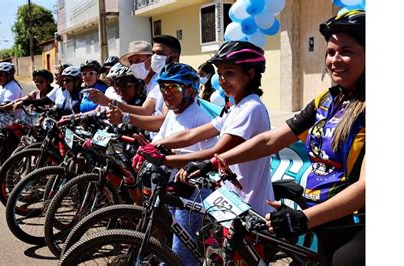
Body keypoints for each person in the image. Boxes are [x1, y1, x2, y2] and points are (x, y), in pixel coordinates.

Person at [179, 10, 366, 266]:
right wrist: (214, 162)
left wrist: (303, 219)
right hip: (324, 222)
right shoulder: (328, 99)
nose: (335, 60)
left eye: (347, 51)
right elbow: (271, 141)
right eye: (330, 52)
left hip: (357, 228)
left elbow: (367, 188)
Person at [137, 41, 274, 217]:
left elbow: (216, 152)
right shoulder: (234, 108)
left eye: (229, 73)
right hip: (231, 199)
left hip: (249, 204)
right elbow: (192, 135)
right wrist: (155, 145)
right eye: (220, 74)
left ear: (250, 73)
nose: (222, 80)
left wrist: (164, 159)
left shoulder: (251, 108)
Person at [133, 62, 217, 265]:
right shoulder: (172, 114)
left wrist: (170, 156)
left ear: (190, 90)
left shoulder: (200, 118)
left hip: (191, 190)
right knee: (171, 239)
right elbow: (160, 141)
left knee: (182, 251)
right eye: (163, 88)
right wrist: (145, 152)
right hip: (169, 186)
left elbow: (207, 158)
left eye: (173, 87)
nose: (166, 93)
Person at [15, 66, 83, 117]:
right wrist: (23, 102)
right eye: (64, 80)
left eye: (67, 80)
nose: (65, 83)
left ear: (76, 81)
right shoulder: (58, 89)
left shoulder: (82, 93)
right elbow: (43, 101)